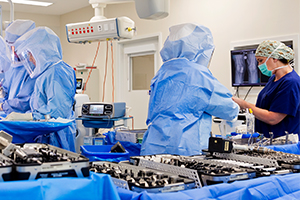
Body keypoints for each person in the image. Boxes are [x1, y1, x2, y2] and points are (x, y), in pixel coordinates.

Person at [140, 23, 239, 156]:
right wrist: (238, 105)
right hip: (185, 148)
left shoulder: (161, 73)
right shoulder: (199, 75)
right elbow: (229, 110)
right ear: (201, 51)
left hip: (154, 145)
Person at [14, 27, 77, 152]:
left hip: (57, 137)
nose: (31, 59)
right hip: (46, 134)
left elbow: (57, 112)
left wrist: (29, 118)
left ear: (42, 51)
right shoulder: (46, 74)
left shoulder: (57, 72)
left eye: (31, 54)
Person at [232, 40, 300, 139]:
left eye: (260, 60)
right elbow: (265, 107)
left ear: (275, 58)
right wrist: (242, 105)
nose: (259, 65)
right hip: (267, 140)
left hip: (282, 143)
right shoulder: (274, 78)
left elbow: (273, 118)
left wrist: (245, 105)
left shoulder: (291, 82)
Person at [0, 19, 36, 114]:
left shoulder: (35, 66)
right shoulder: (11, 66)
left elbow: (26, 101)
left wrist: (3, 106)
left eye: (17, 47)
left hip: (28, 120)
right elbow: (7, 94)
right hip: (13, 117)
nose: (14, 52)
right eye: (10, 47)